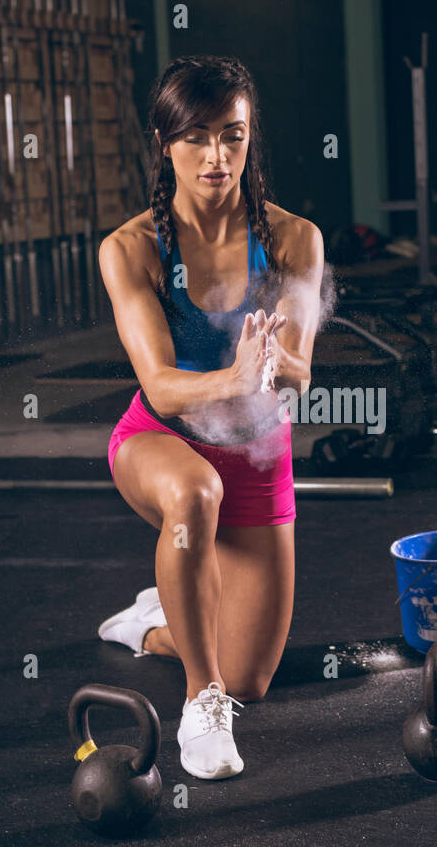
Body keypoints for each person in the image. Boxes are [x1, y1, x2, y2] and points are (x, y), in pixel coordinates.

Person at [97, 55, 324, 781]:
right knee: (196, 496)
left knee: (255, 676)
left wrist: (273, 369)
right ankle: (201, 701)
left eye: (233, 135)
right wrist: (228, 376)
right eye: (196, 137)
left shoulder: (295, 239)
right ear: (164, 143)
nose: (217, 157)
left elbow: (299, 369)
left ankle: (157, 622)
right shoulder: (130, 248)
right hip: (161, 443)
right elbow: (161, 388)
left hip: (255, 452)